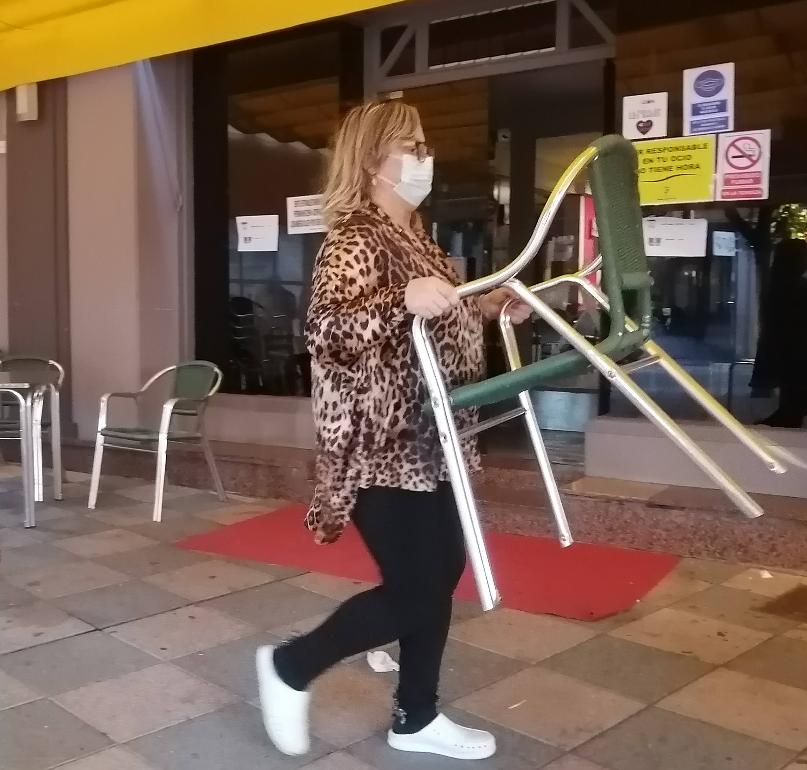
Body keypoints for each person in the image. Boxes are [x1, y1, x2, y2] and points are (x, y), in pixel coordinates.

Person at [255, 100, 532, 761]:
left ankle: (417, 716)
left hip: (431, 443)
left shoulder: (418, 239)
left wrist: (493, 306)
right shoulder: (354, 238)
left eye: (425, 145)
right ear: (372, 160)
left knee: (438, 573)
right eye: (410, 146)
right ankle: (290, 668)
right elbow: (324, 332)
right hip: (380, 446)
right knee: (417, 587)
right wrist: (396, 302)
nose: (423, 158)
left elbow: (442, 315)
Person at [751, 238, 807, 428]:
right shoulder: (793, 288)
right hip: (795, 354)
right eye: (805, 255)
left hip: (792, 353)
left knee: (798, 402)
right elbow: (801, 321)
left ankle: (772, 426)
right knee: (800, 401)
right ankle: (771, 427)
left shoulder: (781, 286)